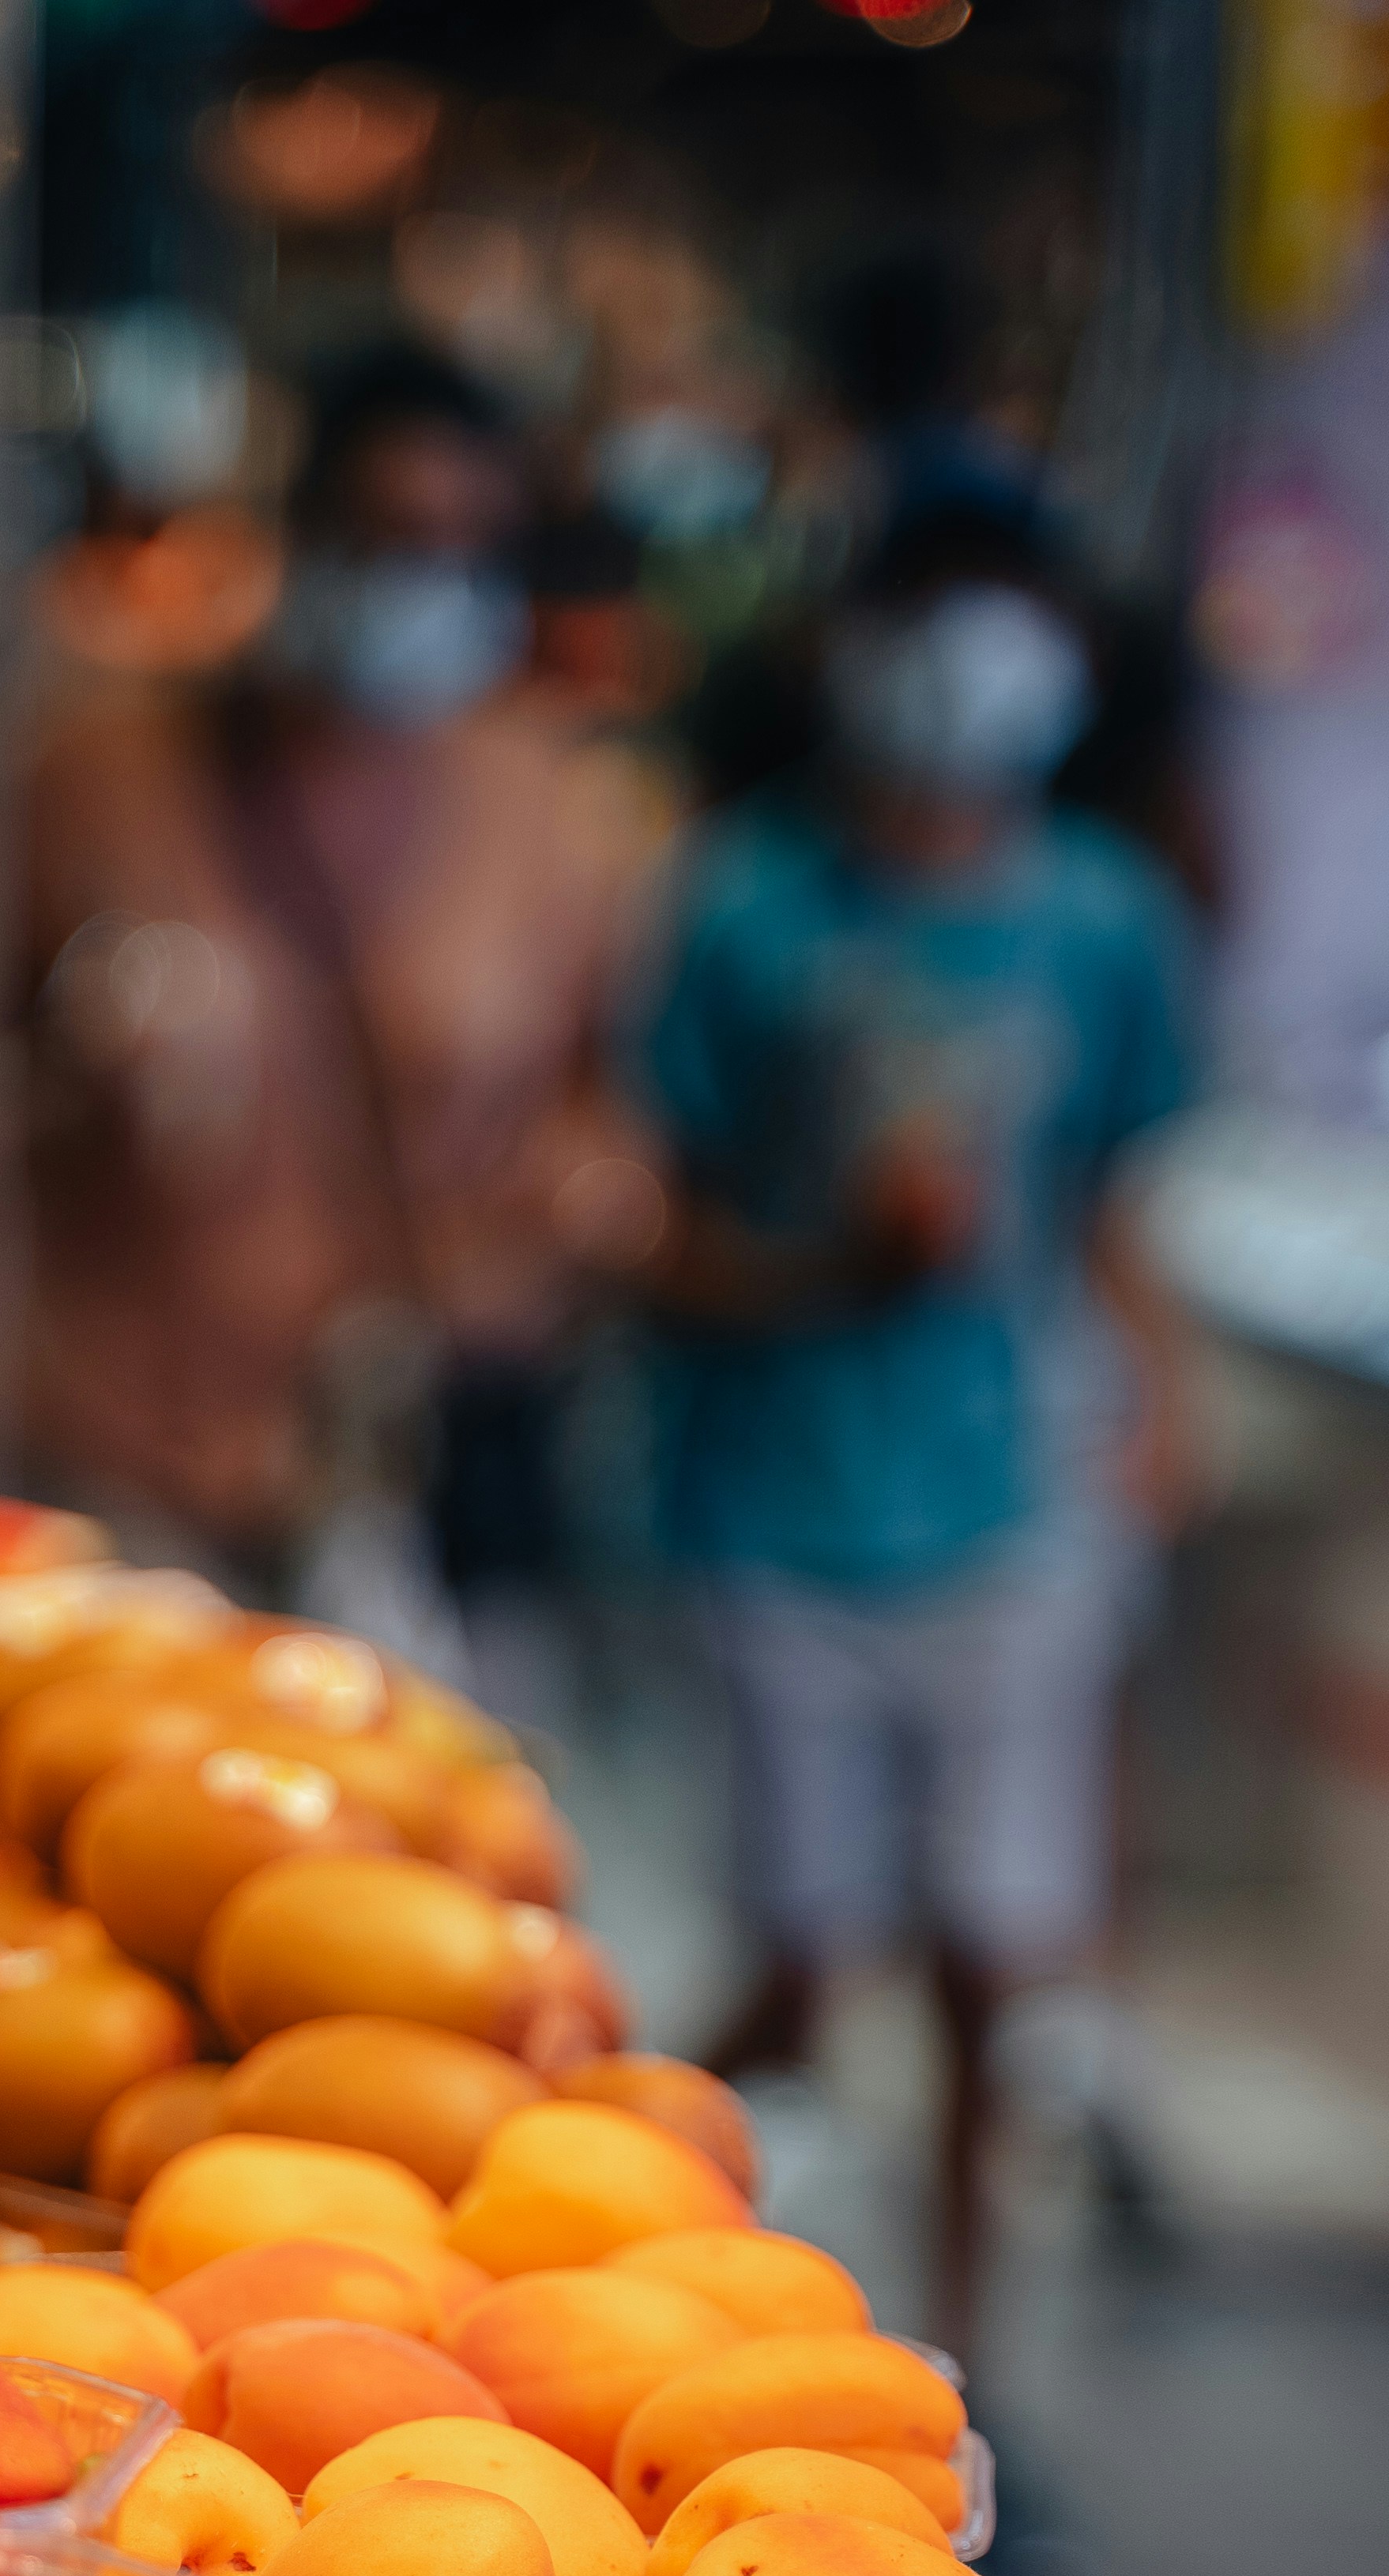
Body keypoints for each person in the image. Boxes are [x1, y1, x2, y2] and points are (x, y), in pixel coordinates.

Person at [634, 493, 1200, 2349]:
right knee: (803, 1962)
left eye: (1002, 615)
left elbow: (1109, 1199)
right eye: (930, 612)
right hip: (776, 1500)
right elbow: (651, 1233)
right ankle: (614, 2206)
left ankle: (952, 2355)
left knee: (985, 1964)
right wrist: (833, 1265)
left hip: (1008, 1498)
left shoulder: (1102, 917)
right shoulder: (743, 904)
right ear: (845, 644)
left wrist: (1158, 1397)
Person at [2, 341, 660, 1657]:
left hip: (397, 1487)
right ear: (300, 532)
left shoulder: (550, 809)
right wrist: (98, 1077)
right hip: (133, 1460)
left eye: (469, 549)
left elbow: (607, 1122)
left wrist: (561, 1223)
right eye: (389, 535)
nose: (426, 583)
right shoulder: (101, 774)